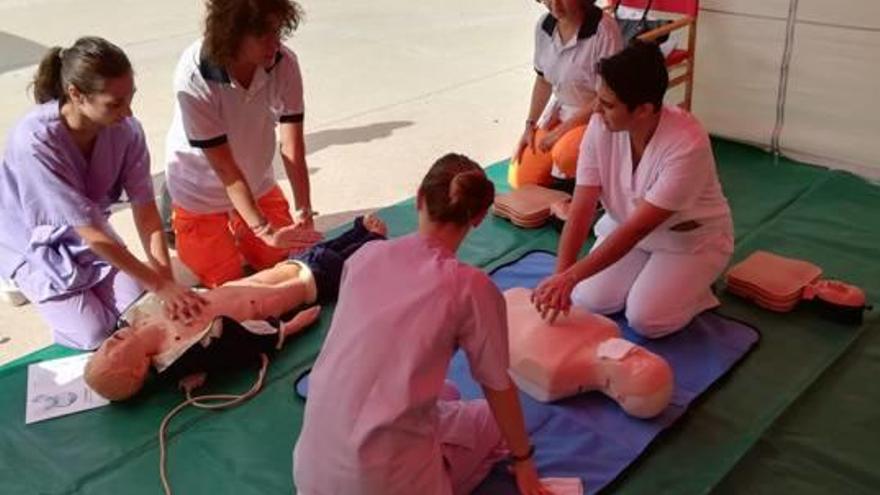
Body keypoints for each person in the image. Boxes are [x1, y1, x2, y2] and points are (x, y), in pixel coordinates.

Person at [293, 154, 550, 495]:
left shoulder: (365, 256)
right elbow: (498, 387)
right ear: (477, 218)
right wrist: (524, 461)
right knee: (488, 419)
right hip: (382, 482)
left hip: (310, 474)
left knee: (446, 393)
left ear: (419, 198)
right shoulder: (469, 287)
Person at [0, 37, 206, 350]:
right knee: (95, 335)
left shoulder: (126, 130)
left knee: (137, 310)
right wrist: (158, 285)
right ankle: (17, 279)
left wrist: (165, 283)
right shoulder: (35, 142)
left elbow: (146, 211)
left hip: (89, 232)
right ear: (76, 94)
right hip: (31, 240)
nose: (127, 112)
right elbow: (89, 232)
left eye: (130, 98)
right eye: (114, 103)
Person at [531, 41, 734, 338]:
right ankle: (649, 278)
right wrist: (561, 277)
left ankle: (699, 292)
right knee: (589, 299)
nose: (597, 111)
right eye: (599, 99)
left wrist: (572, 276)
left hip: (688, 241)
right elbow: (582, 208)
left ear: (643, 110)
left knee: (647, 319)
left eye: (608, 104)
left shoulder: (686, 143)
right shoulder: (601, 126)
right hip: (628, 227)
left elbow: (637, 229)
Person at [84, 214, 388, 401]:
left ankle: (358, 234)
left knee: (306, 260)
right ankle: (372, 242)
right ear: (138, 370)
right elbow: (241, 345)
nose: (108, 345)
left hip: (261, 280)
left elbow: (164, 289)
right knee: (328, 270)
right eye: (111, 357)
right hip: (290, 295)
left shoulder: (134, 317)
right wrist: (292, 327)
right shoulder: (178, 356)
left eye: (101, 350)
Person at [165, 0, 320, 288]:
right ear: (231, 33)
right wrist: (264, 229)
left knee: (281, 264)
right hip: (201, 188)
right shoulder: (194, 76)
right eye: (264, 35)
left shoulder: (284, 62)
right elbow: (225, 169)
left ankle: (241, 224)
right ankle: (180, 222)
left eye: (278, 31)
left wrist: (305, 211)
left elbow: (292, 146)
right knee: (228, 283)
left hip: (256, 179)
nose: (276, 43)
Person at [510, 0, 622, 192]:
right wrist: (529, 126)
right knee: (523, 178)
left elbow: (605, 97)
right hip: (561, 112)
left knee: (565, 156)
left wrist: (560, 133)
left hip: (597, 115)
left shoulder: (604, 30)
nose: (555, 5)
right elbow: (543, 80)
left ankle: (586, 185)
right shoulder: (544, 25)